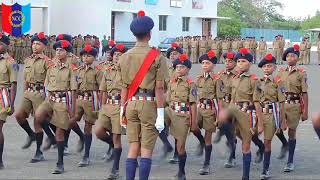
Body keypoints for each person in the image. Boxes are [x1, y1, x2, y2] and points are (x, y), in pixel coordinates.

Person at [118, 10, 167, 180]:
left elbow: (124, 86)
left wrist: (121, 110)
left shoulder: (124, 56)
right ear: (150, 33)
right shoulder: (157, 56)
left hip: (130, 103)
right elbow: (159, 88)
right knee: (146, 149)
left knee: (133, 147)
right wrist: (161, 114)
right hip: (148, 104)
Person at [33, 40, 77, 174]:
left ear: (67, 53)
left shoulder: (71, 69)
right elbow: (46, 86)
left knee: (59, 132)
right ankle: (50, 137)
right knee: (38, 116)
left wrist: (72, 110)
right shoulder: (51, 67)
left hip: (63, 102)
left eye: (61, 50)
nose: (58, 52)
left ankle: (60, 163)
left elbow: (73, 91)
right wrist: (47, 100)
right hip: (50, 100)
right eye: (57, 50)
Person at [218, 48, 263, 180]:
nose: (240, 64)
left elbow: (257, 103)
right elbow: (232, 98)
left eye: (243, 61)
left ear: (250, 63)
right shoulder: (235, 79)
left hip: (247, 115)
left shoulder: (254, 80)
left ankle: (245, 176)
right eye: (238, 61)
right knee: (239, 137)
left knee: (245, 145)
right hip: (235, 112)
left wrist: (260, 123)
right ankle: (257, 144)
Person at [14, 32, 57, 152]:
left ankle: (38, 151)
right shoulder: (28, 60)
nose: (34, 46)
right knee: (18, 115)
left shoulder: (47, 62)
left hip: (40, 93)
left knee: (38, 121)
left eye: (38, 44)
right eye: (33, 43)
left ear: (44, 46)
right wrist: (24, 93)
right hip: (28, 92)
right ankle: (31, 135)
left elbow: (51, 81)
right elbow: (26, 79)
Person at [96, 43, 127, 179]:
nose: (116, 57)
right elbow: (102, 91)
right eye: (115, 54)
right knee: (98, 131)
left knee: (116, 137)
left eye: (120, 55)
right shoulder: (107, 70)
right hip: (107, 105)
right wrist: (102, 107)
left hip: (120, 106)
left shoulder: (128, 72)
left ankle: (115, 169)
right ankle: (113, 146)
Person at [70, 44, 102, 167]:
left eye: (88, 56)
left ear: (94, 57)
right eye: (83, 56)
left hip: (91, 100)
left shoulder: (98, 71)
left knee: (88, 127)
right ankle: (82, 137)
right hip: (80, 99)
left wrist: (100, 104)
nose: (85, 58)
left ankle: (86, 156)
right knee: (70, 121)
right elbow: (75, 86)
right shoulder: (78, 70)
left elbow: (101, 89)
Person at [165, 54, 197, 180]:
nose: (178, 69)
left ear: (188, 69)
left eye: (182, 67)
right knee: (156, 122)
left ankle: (181, 172)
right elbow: (167, 100)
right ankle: (166, 144)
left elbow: (193, 105)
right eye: (177, 66)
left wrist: (193, 123)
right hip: (171, 112)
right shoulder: (172, 82)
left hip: (183, 116)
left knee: (180, 147)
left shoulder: (190, 84)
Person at [277, 45, 308, 172]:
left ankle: (290, 161)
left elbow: (304, 93)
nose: (290, 58)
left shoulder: (301, 73)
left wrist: (305, 111)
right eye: (288, 56)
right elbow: (277, 89)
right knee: (277, 130)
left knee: (291, 132)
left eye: (293, 56)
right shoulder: (280, 72)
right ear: (285, 57)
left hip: (295, 105)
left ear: (297, 58)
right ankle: (285, 144)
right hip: (282, 104)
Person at [257, 53, 286, 179]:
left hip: (272, 114)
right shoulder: (257, 82)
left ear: (274, 68)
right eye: (264, 66)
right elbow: (256, 101)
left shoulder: (278, 82)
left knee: (267, 141)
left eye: (269, 66)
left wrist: (283, 121)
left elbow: (282, 103)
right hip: (259, 113)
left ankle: (265, 169)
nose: (267, 68)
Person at [196, 50, 221, 175]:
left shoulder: (217, 80)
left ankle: (206, 164)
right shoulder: (198, 78)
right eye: (203, 63)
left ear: (213, 65)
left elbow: (219, 100)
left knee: (208, 137)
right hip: (199, 109)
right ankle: (200, 141)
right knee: (192, 127)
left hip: (211, 110)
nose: (204, 65)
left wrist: (219, 116)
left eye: (207, 63)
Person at [0, 33, 18, 169]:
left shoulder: (11, 62)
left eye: (1, 43)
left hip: (2, 95)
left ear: (6, 45)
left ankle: (0, 160)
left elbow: (13, 84)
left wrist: (11, 104)